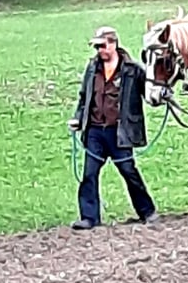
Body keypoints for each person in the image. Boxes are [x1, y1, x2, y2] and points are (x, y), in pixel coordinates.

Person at [67, 26, 159, 230]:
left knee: (128, 171)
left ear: (114, 43)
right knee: (89, 174)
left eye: (102, 46)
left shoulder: (132, 70)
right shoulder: (92, 68)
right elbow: (84, 98)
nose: (99, 50)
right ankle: (89, 218)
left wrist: (163, 97)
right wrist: (77, 119)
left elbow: (151, 92)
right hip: (94, 132)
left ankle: (147, 212)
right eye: (97, 47)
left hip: (119, 132)